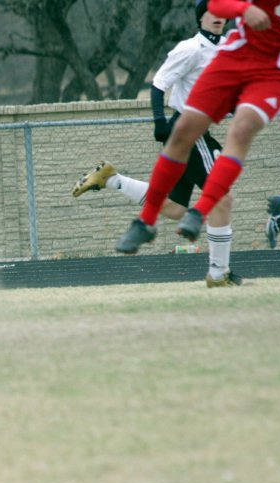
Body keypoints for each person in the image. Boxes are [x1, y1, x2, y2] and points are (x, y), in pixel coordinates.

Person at [114, 0, 280, 257]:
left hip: (278, 69)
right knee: (183, 133)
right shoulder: (193, 48)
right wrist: (242, 9)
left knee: (241, 130)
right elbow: (216, 3)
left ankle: (201, 220)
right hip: (237, 53)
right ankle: (145, 222)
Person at [73, 1, 241, 286]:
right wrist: (159, 122)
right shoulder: (189, 49)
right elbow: (159, 84)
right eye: (210, 12)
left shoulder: (228, 47)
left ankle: (112, 179)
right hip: (190, 129)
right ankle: (218, 273)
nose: (217, 17)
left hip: (195, 129)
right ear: (200, 17)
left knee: (174, 207)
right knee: (221, 197)